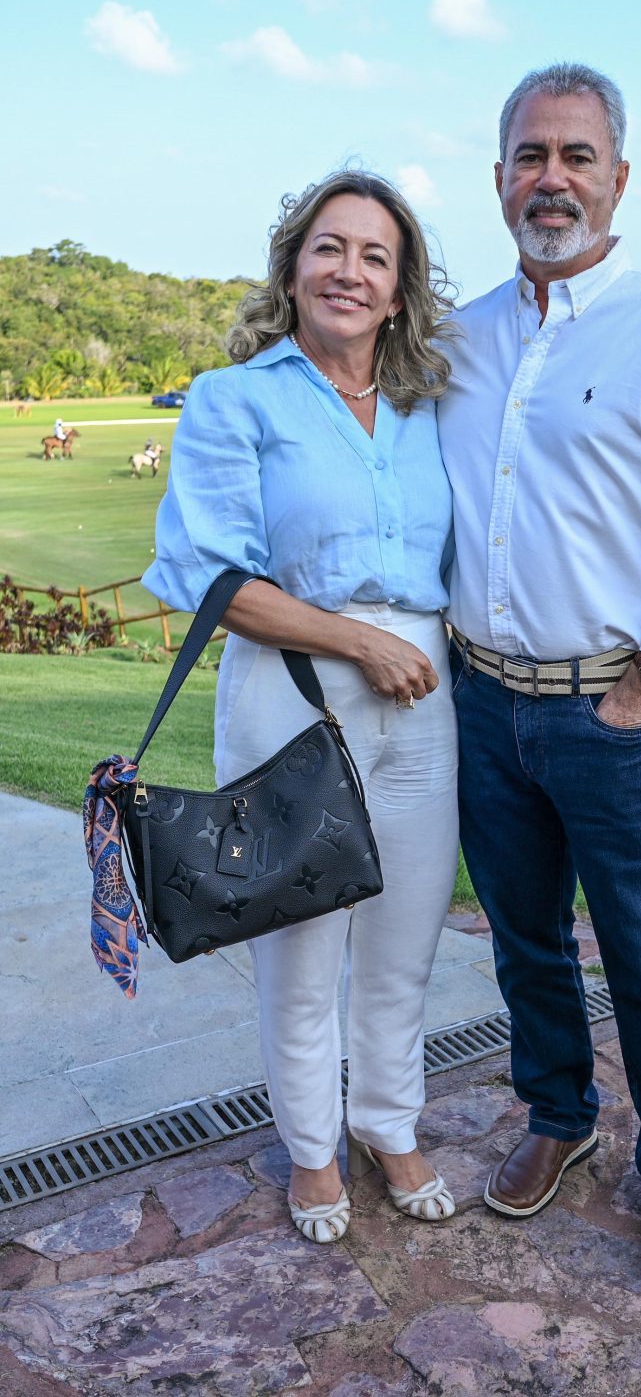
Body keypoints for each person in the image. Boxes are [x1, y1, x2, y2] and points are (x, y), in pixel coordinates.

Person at [437, 63, 641, 1280]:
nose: (552, 178)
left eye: (576, 156)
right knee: (525, 940)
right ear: (501, 178)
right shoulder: (461, 338)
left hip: (607, 706)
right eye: (531, 155)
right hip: (482, 697)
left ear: (618, 177)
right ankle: (559, 1119)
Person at [144, 170, 459, 1244]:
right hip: (294, 689)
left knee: (404, 936)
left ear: (400, 284)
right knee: (301, 939)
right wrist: (357, 640)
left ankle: (389, 1120)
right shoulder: (237, 398)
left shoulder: (427, 404)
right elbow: (211, 577)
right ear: (292, 266)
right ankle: (314, 1148)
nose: (350, 271)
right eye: (330, 247)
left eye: (375, 255)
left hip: (425, 699)